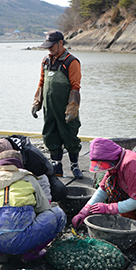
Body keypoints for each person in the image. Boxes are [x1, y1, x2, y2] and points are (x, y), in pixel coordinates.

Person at [71, 138, 136, 249]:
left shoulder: (132, 163)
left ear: (111, 159)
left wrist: (108, 208)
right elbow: (102, 190)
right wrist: (84, 212)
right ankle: (131, 225)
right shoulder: (115, 165)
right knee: (110, 184)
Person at [0, 150, 67, 262]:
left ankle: (1, 253)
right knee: (59, 214)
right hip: (17, 241)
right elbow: (43, 207)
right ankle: (31, 253)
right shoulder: (28, 178)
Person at [31, 30, 83, 179]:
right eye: (47, 46)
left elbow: (75, 87)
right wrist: (36, 103)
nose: (49, 49)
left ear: (61, 43)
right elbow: (41, 83)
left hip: (65, 107)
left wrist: (72, 110)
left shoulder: (71, 62)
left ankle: (74, 166)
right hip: (49, 108)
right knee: (50, 135)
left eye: (52, 45)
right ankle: (57, 165)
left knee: (70, 136)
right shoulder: (45, 61)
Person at [0, 136, 68, 203]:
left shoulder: (32, 156)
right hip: (15, 179)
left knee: (59, 190)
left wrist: (46, 203)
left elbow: (43, 181)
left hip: (38, 175)